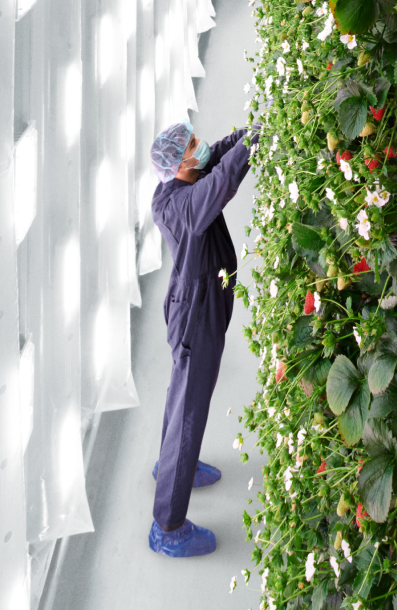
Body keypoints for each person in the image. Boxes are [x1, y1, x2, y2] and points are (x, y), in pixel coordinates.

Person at [146, 118, 258, 557]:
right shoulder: (181, 204)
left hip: (194, 305)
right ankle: (168, 526)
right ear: (178, 165)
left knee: (182, 397)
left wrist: (247, 134)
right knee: (190, 407)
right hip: (196, 314)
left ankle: (175, 467)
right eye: (192, 144)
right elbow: (222, 181)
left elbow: (217, 163)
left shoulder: (182, 182)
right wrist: (252, 144)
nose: (201, 144)